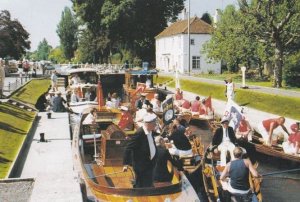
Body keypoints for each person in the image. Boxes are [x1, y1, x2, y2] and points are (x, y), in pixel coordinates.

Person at [123, 113, 158, 188]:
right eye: (154, 124)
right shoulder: (139, 133)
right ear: (147, 124)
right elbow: (128, 148)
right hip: (141, 165)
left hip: (150, 163)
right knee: (140, 185)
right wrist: (125, 164)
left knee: (149, 183)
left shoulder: (150, 131)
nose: (155, 125)